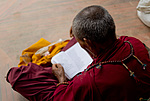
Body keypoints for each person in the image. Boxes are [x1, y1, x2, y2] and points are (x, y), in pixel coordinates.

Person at [6, 5, 150, 101]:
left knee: (18, 76)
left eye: (82, 43)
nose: (78, 43)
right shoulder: (133, 42)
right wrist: (78, 34)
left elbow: (60, 98)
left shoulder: (91, 81)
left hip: (97, 82)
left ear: (89, 43)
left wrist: (62, 79)